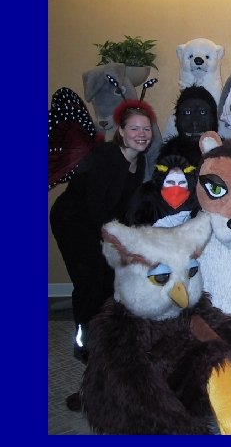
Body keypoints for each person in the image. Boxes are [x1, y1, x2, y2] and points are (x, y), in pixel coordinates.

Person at [50, 99, 156, 364]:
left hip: (100, 223)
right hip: (73, 220)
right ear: (121, 131)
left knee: (109, 278)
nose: (141, 134)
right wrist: (118, 241)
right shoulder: (106, 156)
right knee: (89, 280)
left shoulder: (139, 161)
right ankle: (84, 344)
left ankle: (107, 336)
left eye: (146, 129)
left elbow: (125, 207)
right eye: (134, 128)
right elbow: (96, 206)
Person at [124, 153, 200, 227]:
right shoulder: (146, 200)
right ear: (161, 183)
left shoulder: (195, 200)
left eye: (182, 182)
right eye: (170, 182)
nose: (176, 188)